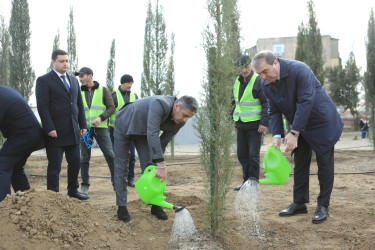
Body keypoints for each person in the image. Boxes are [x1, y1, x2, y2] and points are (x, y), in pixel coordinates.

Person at [251, 50, 344, 224]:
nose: (263, 77)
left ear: (276, 63)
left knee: (324, 164)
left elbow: (306, 100)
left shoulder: (299, 70)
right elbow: (273, 109)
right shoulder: (266, 83)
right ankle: (299, 203)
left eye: (265, 71)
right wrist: (277, 135)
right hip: (299, 124)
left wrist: (294, 132)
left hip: (320, 122)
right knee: (300, 163)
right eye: (259, 74)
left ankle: (323, 205)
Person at [114, 95, 198, 222]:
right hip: (125, 122)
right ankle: (121, 207)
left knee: (150, 166)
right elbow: (152, 132)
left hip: (143, 131)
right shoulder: (159, 104)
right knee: (121, 166)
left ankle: (156, 206)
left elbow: (162, 142)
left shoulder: (180, 121)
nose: (185, 120)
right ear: (176, 106)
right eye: (185, 115)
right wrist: (161, 164)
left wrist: (156, 164)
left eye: (189, 117)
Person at [36, 49, 88, 200]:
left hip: (73, 131)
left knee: (75, 163)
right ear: (53, 62)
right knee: (55, 166)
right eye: (61, 61)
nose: (65, 64)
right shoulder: (44, 80)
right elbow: (42, 107)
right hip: (55, 132)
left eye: (67, 61)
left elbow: (79, 104)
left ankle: (73, 191)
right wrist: (49, 127)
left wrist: (83, 124)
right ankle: (53, 196)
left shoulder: (73, 80)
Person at [0, 86, 45, 201]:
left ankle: (3, 203)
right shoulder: (5, 90)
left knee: (2, 165)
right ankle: (26, 201)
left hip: (23, 135)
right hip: (29, 134)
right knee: (16, 168)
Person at [75, 67, 116, 195]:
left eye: (82, 76)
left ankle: (117, 182)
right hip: (85, 129)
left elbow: (111, 107)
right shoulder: (77, 91)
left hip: (101, 128)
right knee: (84, 157)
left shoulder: (103, 90)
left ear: (90, 76)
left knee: (110, 155)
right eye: (79, 77)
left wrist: (101, 117)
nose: (80, 79)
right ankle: (85, 185)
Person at [232, 55, 268, 191]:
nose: (244, 70)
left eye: (246, 66)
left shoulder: (257, 81)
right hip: (241, 125)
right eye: (242, 67)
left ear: (250, 66)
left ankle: (253, 183)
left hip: (255, 126)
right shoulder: (236, 82)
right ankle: (246, 181)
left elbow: (266, 103)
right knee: (242, 154)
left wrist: (264, 123)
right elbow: (233, 102)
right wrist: (232, 117)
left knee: (253, 155)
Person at [109, 74, 139, 187]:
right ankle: (119, 179)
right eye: (128, 83)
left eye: (131, 83)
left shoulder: (134, 96)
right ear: (122, 83)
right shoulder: (113, 96)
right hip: (115, 131)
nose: (130, 85)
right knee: (117, 156)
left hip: (130, 131)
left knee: (131, 156)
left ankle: (130, 178)